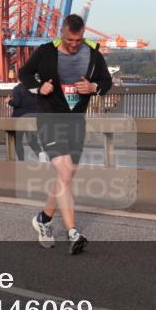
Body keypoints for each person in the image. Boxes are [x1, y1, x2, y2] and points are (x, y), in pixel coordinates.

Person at [18, 14, 113, 255]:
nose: (74, 44)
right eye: (70, 40)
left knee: (66, 176)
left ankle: (43, 219)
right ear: (62, 33)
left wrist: (93, 87)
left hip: (76, 122)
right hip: (50, 119)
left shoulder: (93, 54)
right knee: (66, 170)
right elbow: (24, 73)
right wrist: (38, 87)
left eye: (78, 40)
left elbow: (106, 81)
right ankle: (73, 233)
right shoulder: (46, 52)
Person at [8, 82, 41, 161]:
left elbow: (16, 103)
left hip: (19, 118)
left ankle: (21, 160)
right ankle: (41, 157)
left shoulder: (17, 89)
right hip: (32, 118)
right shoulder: (35, 88)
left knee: (18, 141)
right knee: (32, 141)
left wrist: (9, 101)